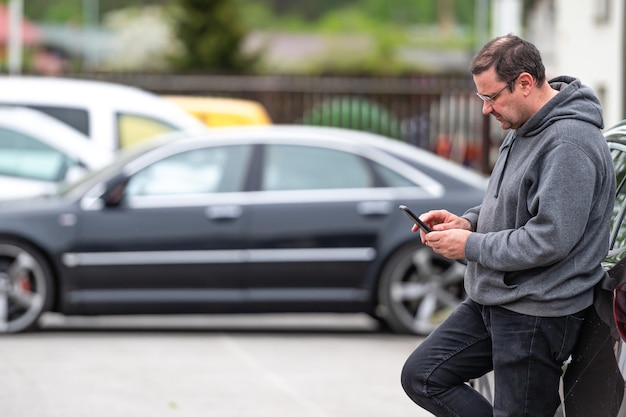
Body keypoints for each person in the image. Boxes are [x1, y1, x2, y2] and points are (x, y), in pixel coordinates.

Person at [400, 34, 616, 417]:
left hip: (537, 312)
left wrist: (469, 246)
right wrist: (467, 221)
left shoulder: (569, 143)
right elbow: (508, 205)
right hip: (493, 299)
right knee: (423, 375)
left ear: (525, 83)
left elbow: (549, 239)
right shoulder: (522, 126)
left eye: (491, 97)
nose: (486, 110)